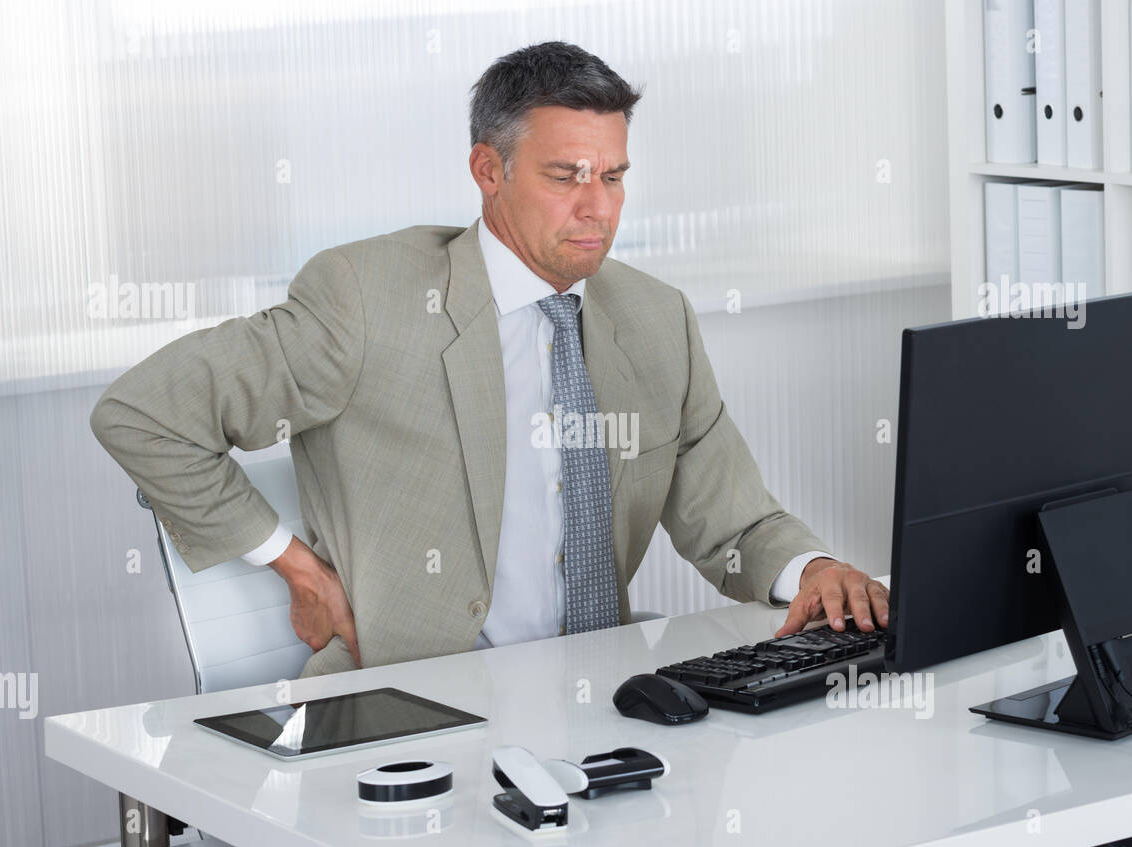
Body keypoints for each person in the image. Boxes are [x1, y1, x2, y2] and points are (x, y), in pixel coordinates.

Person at [90, 41, 889, 678]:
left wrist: (812, 568)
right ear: (488, 171)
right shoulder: (366, 299)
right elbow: (145, 413)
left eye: (612, 177)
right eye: (565, 176)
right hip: (408, 702)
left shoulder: (655, 319)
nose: (597, 208)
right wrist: (297, 567)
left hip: (596, 695)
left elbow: (734, 518)